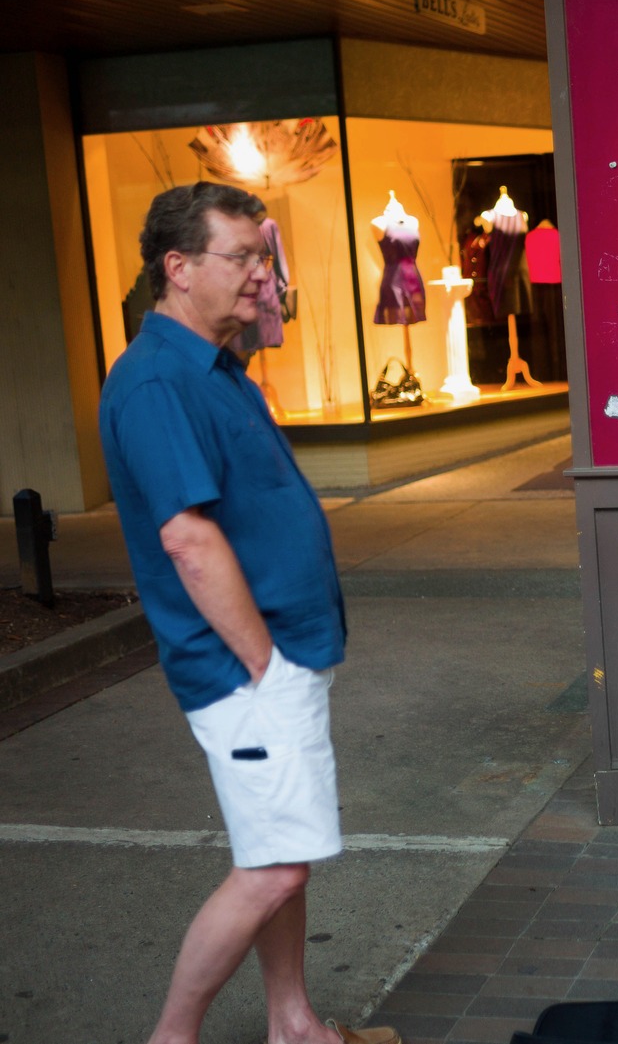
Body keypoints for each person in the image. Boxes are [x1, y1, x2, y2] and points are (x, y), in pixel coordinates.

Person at [98, 181, 398, 1044]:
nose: (261, 273)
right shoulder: (156, 380)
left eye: (262, 257)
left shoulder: (216, 363)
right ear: (178, 266)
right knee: (272, 871)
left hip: (276, 655)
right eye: (241, 257)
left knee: (282, 854)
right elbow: (188, 540)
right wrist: (265, 665)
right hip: (245, 668)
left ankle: (292, 1022)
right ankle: (172, 1036)